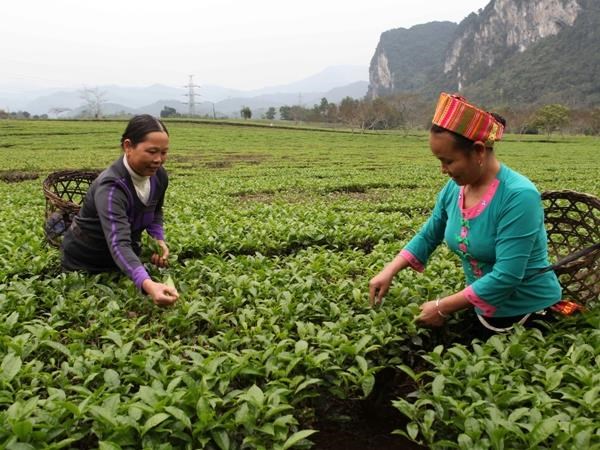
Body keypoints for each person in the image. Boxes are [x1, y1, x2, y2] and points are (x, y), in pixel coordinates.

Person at [369, 93, 562, 339]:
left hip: (527, 315)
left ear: (478, 151)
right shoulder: (455, 188)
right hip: (478, 305)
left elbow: (507, 275)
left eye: (448, 161)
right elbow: (429, 234)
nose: (443, 170)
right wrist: (390, 270)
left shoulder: (519, 196)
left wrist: (441, 306)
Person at [61, 114, 179, 306]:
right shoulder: (111, 187)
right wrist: (149, 285)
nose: (158, 160)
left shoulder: (159, 177)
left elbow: (155, 210)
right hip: (88, 262)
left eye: (164, 152)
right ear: (128, 146)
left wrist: (158, 240)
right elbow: (119, 243)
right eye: (151, 151)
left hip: (125, 257)